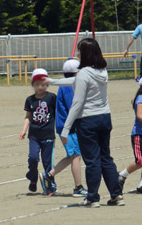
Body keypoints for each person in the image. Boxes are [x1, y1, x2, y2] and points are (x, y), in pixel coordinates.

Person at [51, 38, 123, 208]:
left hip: (88, 121)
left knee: (92, 161)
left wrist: (66, 129)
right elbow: (75, 81)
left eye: (79, 51)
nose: (77, 54)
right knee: (106, 158)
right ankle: (117, 195)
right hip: (105, 118)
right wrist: (52, 81)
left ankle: (92, 198)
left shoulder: (84, 73)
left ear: (86, 53)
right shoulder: (101, 71)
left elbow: (77, 103)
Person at [40, 60, 87, 197]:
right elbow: (73, 106)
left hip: (68, 125)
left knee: (74, 155)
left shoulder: (68, 84)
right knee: (76, 156)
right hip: (68, 126)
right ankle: (78, 187)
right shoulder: (68, 86)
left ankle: (49, 175)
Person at [19, 68, 57, 194]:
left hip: (48, 136)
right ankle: (33, 177)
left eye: (43, 84)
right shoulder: (30, 100)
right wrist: (24, 130)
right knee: (33, 158)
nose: (41, 87)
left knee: (47, 162)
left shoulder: (52, 98)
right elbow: (28, 117)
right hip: (34, 135)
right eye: (37, 84)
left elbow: (58, 115)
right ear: (33, 85)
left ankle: (50, 185)